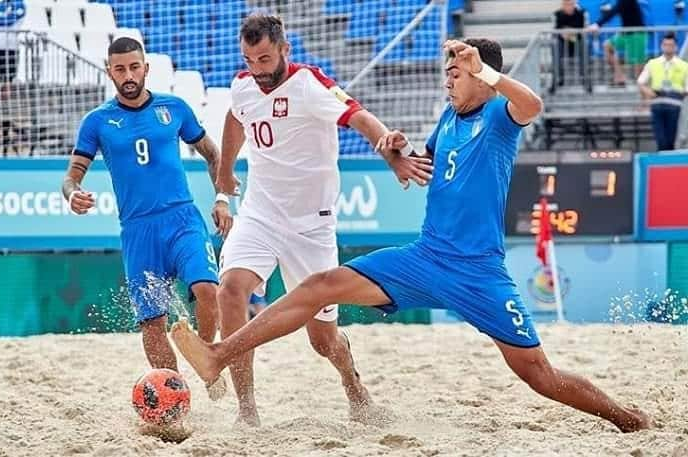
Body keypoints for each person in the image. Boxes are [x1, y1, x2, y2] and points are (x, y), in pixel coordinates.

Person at [170, 37, 652, 433]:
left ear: (481, 77)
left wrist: (486, 72)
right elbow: (423, 163)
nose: (448, 80)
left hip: (478, 272)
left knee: (538, 376)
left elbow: (533, 103)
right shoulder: (448, 120)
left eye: (457, 73)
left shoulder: (500, 119)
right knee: (320, 286)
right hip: (426, 256)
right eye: (447, 72)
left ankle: (627, 419)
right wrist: (399, 150)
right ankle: (216, 356)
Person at [207, 13, 433, 426]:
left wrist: (393, 156)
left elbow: (362, 118)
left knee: (323, 339)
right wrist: (223, 176)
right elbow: (235, 117)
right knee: (231, 291)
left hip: (310, 226)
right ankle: (247, 410)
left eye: (265, 59)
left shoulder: (309, 85)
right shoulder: (243, 85)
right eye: (250, 60)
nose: (258, 70)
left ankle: (355, 390)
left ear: (284, 50)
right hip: (259, 214)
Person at [61, 37, 232, 386]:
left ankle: (207, 357)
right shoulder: (97, 121)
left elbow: (214, 154)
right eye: (120, 68)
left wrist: (222, 198)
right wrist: (73, 194)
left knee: (207, 290)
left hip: (182, 219)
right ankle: (174, 391)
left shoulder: (175, 107)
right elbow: (71, 177)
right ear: (110, 72)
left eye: (134, 67)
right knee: (153, 323)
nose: (128, 74)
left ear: (146, 69)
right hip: (138, 230)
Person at [637, 32, 688, 151]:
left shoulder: (684, 66)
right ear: (661, 46)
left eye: (671, 45)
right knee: (660, 139)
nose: (668, 48)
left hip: (674, 104)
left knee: (670, 139)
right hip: (657, 103)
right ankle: (662, 160)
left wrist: (679, 93)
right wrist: (647, 91)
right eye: (665, 45)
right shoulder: (653, 63)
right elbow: (641, 82)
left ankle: (668, 163)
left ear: (676, 47)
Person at [588, 0, 647, 86]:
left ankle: (642, 92)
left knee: (638, 70)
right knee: (607, 45)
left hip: (637, 35)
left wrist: (597, 24)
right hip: (626, 34)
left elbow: (614, 11)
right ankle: (620, 76)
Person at [552, 0, 586, 90]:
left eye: (571, 4)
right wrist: (564, 33)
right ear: (562, 5)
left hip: (577, 42)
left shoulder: (580, 13)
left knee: (584, 44)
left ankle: (584, 77)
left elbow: (581, 29)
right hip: (562, 42)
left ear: (574, 4)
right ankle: (558, 77)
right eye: (566, 4)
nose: (568, 7)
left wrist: (570, 32)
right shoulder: (557, 14)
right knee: (555, 45)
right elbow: (556, 30)